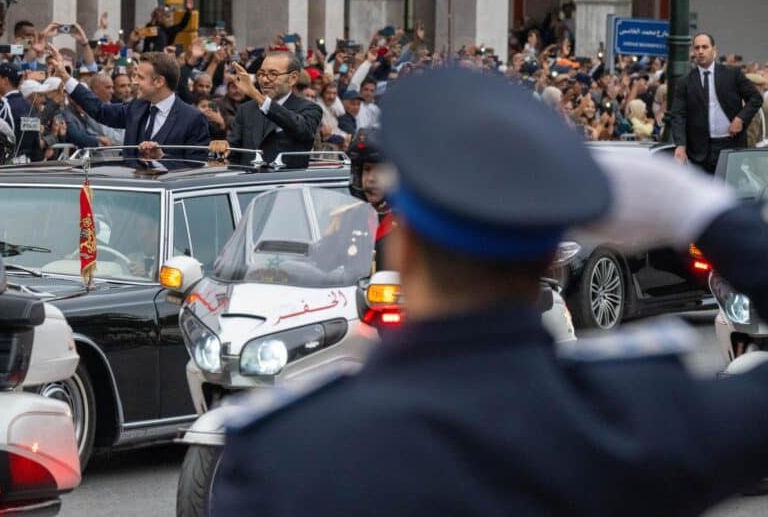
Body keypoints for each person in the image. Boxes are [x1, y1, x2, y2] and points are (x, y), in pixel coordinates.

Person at [211, 65, 768, 516]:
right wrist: (700, 210)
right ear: (552, 255)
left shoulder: (283, 456)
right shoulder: (641, 420)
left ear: (402, 251)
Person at [54, 49, 210, 160]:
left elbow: (194, 168)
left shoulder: (193, 119)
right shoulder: (136, 107)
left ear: (159, 82)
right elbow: (100, 110)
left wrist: (162, 159)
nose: (134, 82)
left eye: (140, 77)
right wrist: (65, 77)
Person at [668, 32, 763, 173]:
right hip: (699, 150)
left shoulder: (732, 74)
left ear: (714, 50)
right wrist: (680, 145)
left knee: (729, 191)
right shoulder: (685, 82)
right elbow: (678, 115)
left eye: (705, 47)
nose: (700, 51)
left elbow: (756, 98)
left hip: (730, 145)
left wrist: (740, 119)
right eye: (697, 48)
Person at [221, 51, 322, 168]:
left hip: (287, 183)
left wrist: (255, 94)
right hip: (248, 183)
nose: (264, 80)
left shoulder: (310, 108)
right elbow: (234, 151)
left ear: (292, 79)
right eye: (261, 74)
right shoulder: (246, 109)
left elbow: (299, 128)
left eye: (273, 74)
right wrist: (222, 147)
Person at [347, 128, 396, 271]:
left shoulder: (411, 224)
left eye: (379, 171)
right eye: (367, 170)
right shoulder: (348, 219)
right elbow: (321, 263)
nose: (371, 179)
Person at [0, 62, 42, 163]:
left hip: (8, 165)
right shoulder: (29, 106)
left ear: (5, 80)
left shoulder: (4, 106)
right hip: (28, 164)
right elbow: (36, 144)